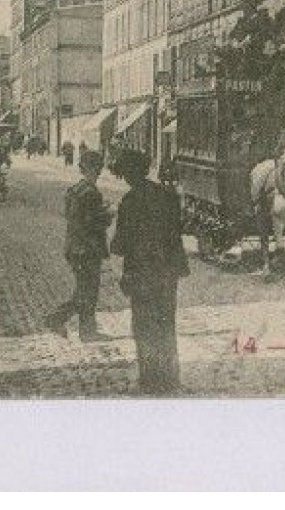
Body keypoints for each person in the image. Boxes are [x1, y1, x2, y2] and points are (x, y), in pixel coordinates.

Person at [110, 148, 189, 395]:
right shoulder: (168, 196)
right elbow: (178, 231)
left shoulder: (129, 202)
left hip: (142, 273)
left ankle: (150, 379)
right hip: (167, 271)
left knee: (143, 325)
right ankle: (170, 377)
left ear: (129, 175)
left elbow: (119, 245)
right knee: (166, 322)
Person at [44, 149, 112, 341]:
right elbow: (92, 224)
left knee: (85, 289)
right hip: (87, 248)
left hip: (74, 246)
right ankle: (62, 321)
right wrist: (107, 216)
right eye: (96, 168)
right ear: (93, 169)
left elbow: (75, 218)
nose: (97, 172)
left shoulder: (74, 190)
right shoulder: (91, 193)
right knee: (88, 291)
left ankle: (85, 329)